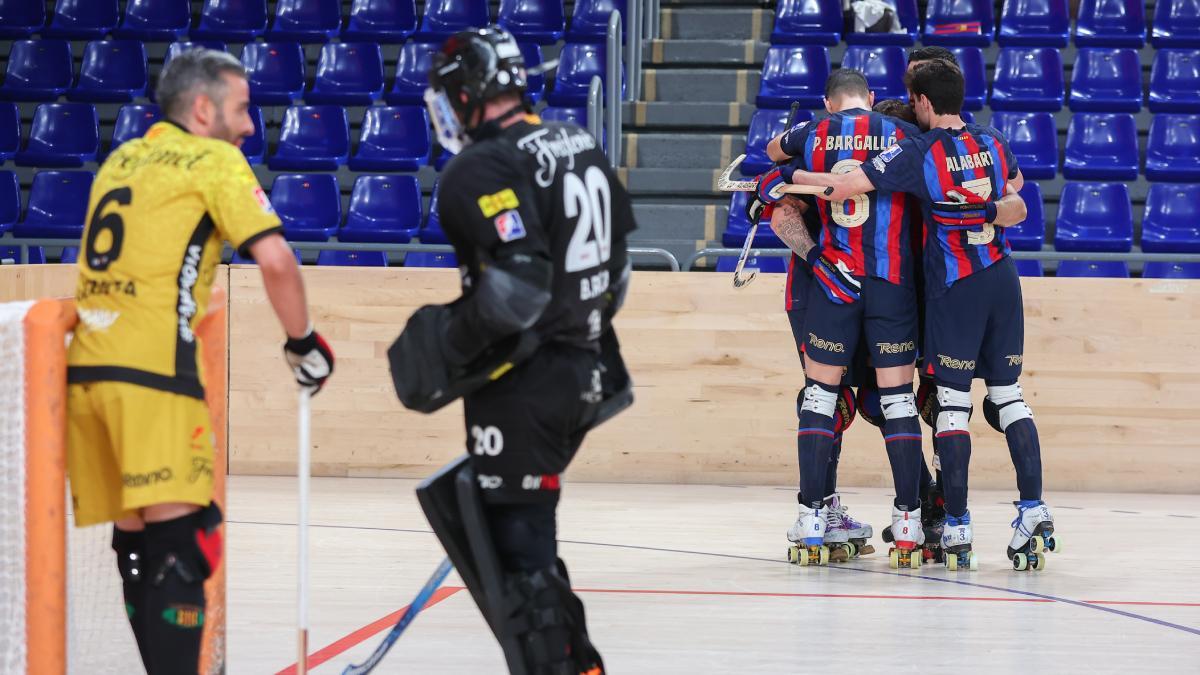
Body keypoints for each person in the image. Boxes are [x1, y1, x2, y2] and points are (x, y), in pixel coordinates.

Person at [67, 48, 334, 673]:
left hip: (87, 373)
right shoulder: (214, 159)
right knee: (184, 548)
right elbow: (276, 261)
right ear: (205, 107)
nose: (248, 127)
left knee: (136, 543)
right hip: (154, 375)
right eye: (241, 110)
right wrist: (304, 343)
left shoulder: (121, 158)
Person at [389, 26, 635, 672]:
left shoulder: (480, 166)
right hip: (583, 369)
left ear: (468, 92)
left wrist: (449, 345)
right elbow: (619, 276)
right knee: (524, 546)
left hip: (527, 385)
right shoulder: (577, 141)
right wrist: (577, 332)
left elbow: (519, 288)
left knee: (520, 564)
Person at [782, 58, 1056, 571]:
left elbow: (838, 186)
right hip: (996, 277)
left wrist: (782, 178)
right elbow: (1020, 205)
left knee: (928, 405)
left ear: (923, 104)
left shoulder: (917, 150)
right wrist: (985, 211)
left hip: (940, 288)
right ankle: (1028, 511)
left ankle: (947, 523)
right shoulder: (992, 140)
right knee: (1003, 398)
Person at [751, 69, 927, 567]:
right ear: (872, 99)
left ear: (829, 104)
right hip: (891, 285)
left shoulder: (811, 134)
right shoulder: (903, 135)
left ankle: (812, 515)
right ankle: (911, 518)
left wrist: (800, 176)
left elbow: (767, 165)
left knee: (822, 396)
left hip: (830, 281)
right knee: (895, 401)